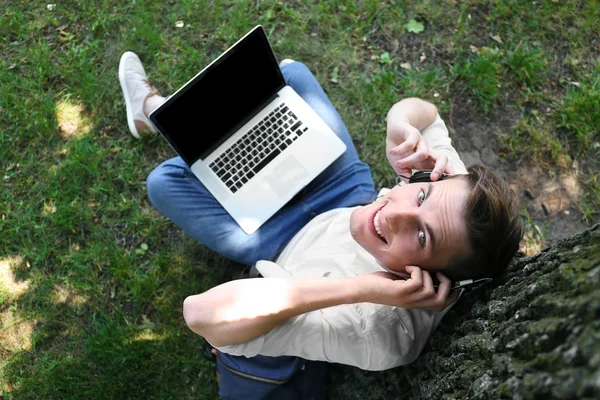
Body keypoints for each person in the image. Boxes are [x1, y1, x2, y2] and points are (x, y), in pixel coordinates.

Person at [119, 51, 522, 384]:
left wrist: (361, 288)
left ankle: (153, 109)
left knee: (165, 180)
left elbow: (201, 314)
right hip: (346, 194)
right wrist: (397, 123)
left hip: (276, 240)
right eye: (419, 194)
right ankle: (171, 117)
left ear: (435, 279)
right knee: (288, 77)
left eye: (421, 237)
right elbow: (428, 116)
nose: (395, 210)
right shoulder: (455, 197)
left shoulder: (375, 332)